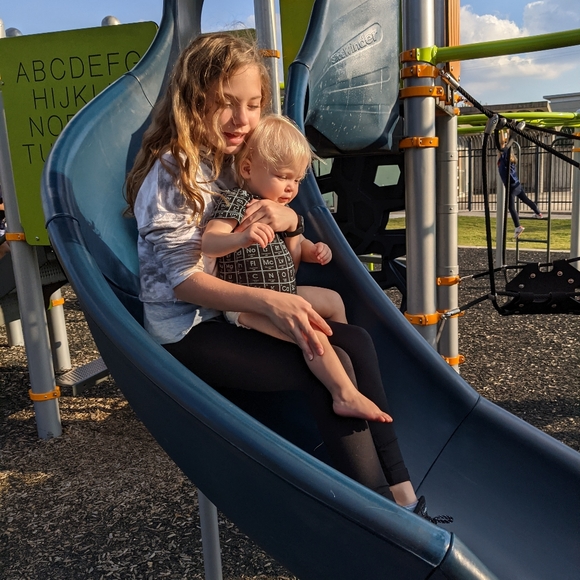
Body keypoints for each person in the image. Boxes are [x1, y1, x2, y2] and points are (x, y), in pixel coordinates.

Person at [125, 32, 451, 523]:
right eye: (225, 103)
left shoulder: (234, 163)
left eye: (253, 104)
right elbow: (185, 283)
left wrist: (292, 220)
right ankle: (380, 516)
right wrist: (271, 302)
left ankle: (404, 494)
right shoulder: (174, 174)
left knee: (357, 341)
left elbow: (277, 223)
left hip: (234, 310)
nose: (241, 119)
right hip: (189, 329)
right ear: (194, 102)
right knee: (322, 366)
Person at [202, 113, 391, 423]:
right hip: (248, 303)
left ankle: (339, 348)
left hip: (284, 292)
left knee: (333, 300)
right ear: (247, 168)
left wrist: (314, 250)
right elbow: (210, 243)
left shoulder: (282, 209)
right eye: (282, 176)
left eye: (297, 180)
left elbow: (297, 246)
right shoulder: (236, 202)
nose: (291, 187)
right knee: (308, 330)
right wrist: (242, 237)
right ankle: (343, 394)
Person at [497, 130, 543, 239]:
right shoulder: (510, 159)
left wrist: (501, 131)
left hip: (511, 187)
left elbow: (503, 144)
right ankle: (538, 213)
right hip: (517, 185)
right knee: (526, 199)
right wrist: (505, 131)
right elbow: (504, 144)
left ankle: (518, 226)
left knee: (511, 207)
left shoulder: (504, 159)